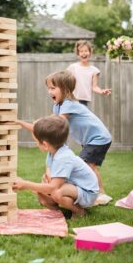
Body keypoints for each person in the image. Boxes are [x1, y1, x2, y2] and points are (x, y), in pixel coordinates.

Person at [45, 70, 112, 205]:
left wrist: (41, 126)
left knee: (87, 165)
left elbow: (57, 123)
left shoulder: (68, 104)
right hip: (89, 139)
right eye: (48, 88)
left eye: (53, 88)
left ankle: (99, 194)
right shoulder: (57, 106)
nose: (49, 91)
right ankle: (100, 192)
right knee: (89, 165)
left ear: (65, 89)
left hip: (98, 138)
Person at [13, 115, 99, 218]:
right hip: (73, 187)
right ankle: (59, 212)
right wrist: (19, 122)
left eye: (36, 142)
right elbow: (35, 130)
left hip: (87, 192)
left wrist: (26, 184)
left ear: (45, 145)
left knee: (56, 191)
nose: (36, 144)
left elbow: (53, 187)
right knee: (44, 187)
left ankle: (79, 211)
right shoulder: (54, 149)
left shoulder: (63, 157)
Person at [67, 40, 111, 106]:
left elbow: (94, 87)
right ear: (78, 53)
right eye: (81, 51)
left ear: (90, 53)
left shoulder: (94, 70)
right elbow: (64, 80)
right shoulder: (72, 67)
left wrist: (101, 91)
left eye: (86, 51)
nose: (84, 53)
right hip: (71, 99)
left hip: (83, 101)